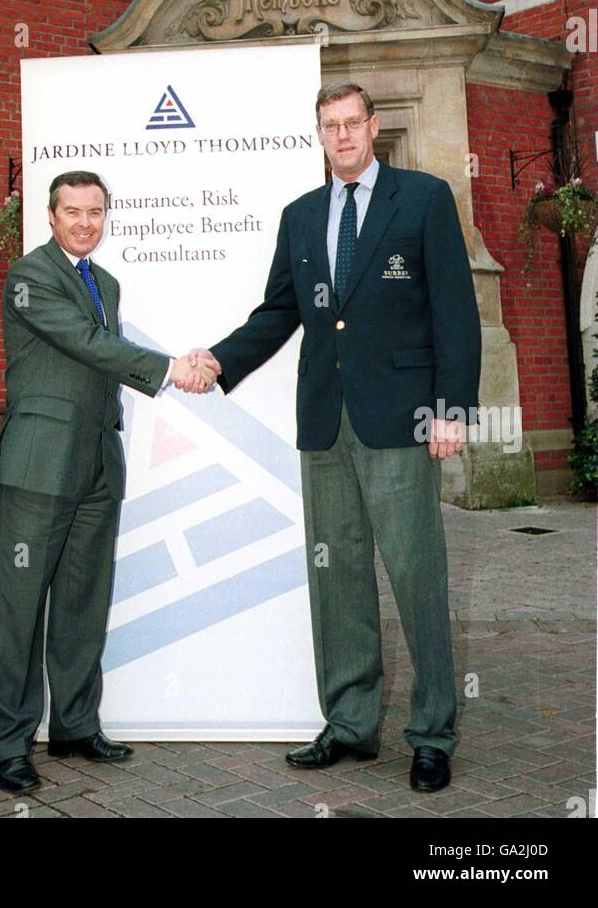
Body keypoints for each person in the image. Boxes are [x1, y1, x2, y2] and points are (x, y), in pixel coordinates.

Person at [190, 82, 481, 793]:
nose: (343, 136)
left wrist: (450, 409)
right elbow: (278, 313)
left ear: (373, 127)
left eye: (353, 123)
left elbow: (453, 307)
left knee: (415, 577)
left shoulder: (421, 199)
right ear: (317, 135)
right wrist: (220, 358)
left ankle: (431, 734)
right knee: (336, 577)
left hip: (400, 419)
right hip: (325, 423)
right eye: (330, 126)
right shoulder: (299, 217)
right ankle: (350, 724)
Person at [0, 169, 216, 793]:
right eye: (73, 212)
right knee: (20, 608)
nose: (85, 222)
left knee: (84, 600)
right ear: (51, 215)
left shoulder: (105, 281)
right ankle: (8, 743)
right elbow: (85, 344)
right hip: (39, 463)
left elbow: (98, 358)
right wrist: (172, 368)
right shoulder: (30, 277)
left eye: (96, 212)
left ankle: (76, 725)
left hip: (95, 464)